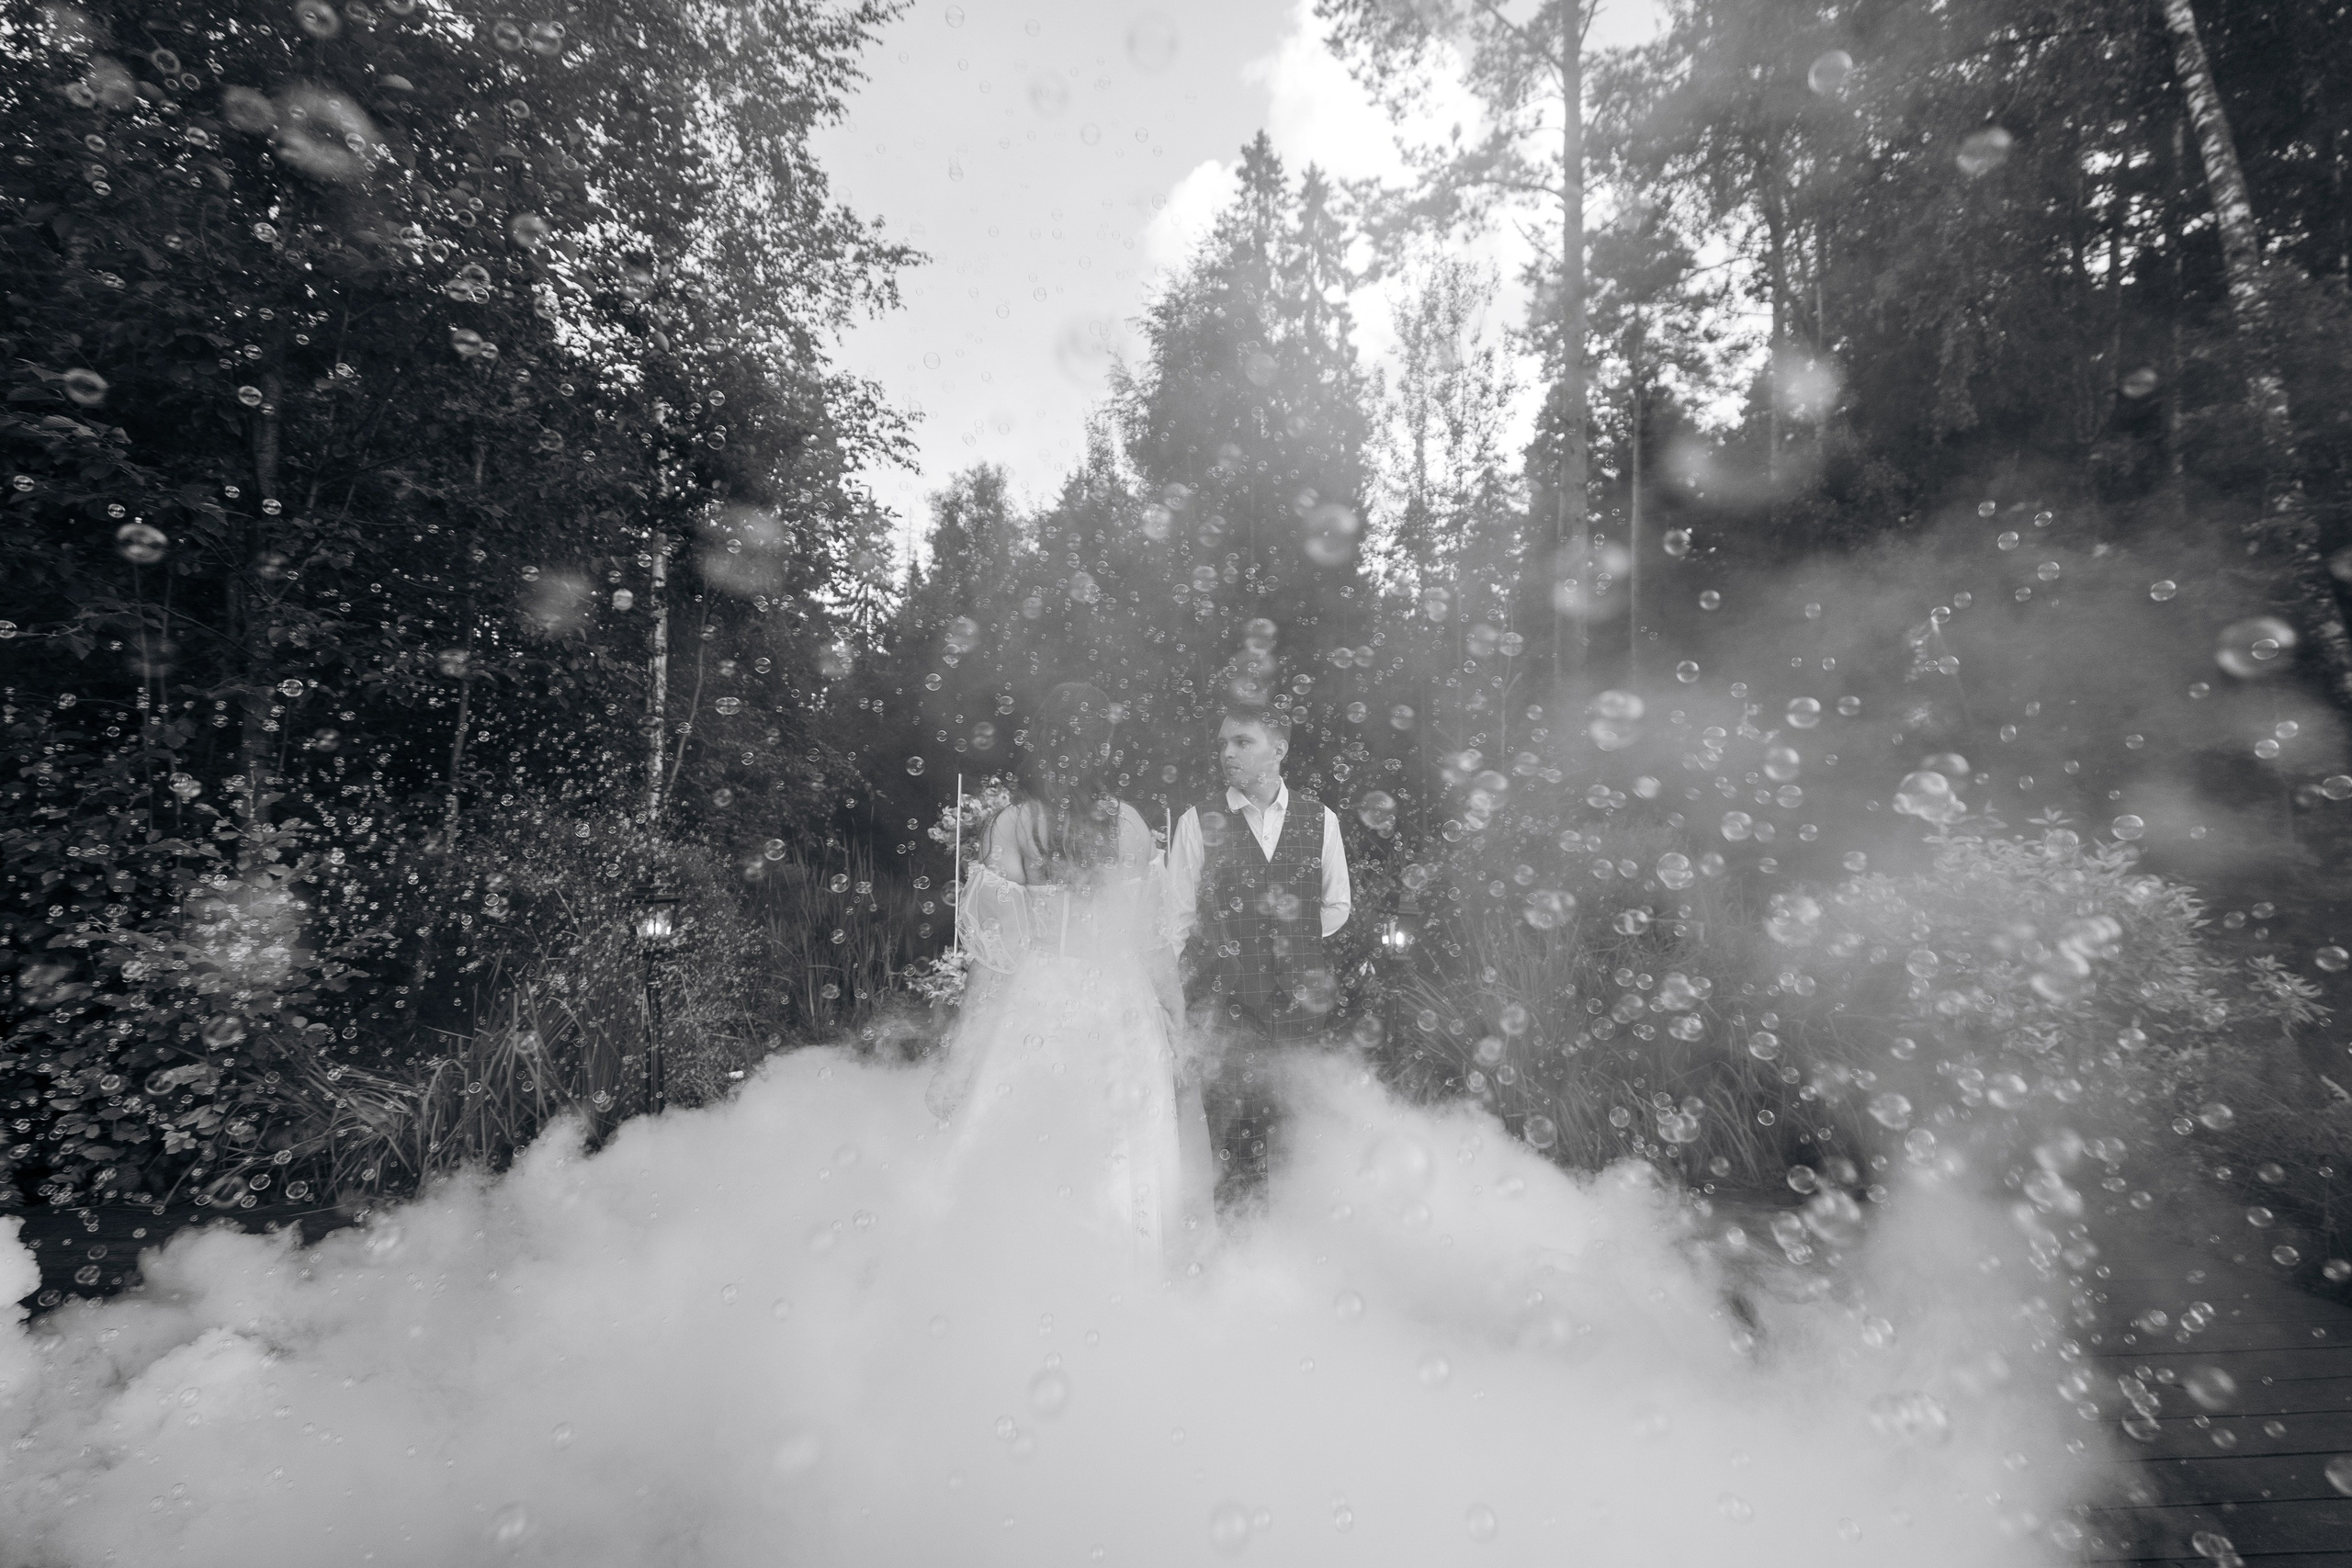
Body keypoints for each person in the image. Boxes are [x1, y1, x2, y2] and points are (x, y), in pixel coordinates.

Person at [922, 681, 1218, 1275]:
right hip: (1119, 1008)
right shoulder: (1131, 827)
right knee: (1118, 1151)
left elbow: (992, 965)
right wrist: (1178, 1025)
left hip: (1040, 1004)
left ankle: (1026, 1290)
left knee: (1032, 1149)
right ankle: (1119, 1288)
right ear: (1099, 748)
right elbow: (1155, 946)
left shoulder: (1014, 828)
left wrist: (959, 1065)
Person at [1163, 703, 1351, 1206]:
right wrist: (1176, 997)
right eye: (1223, 743)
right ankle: (1235, 1270)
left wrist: (1290, 947)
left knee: (1296, 1144)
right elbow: (1176, 922)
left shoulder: (1321, 819)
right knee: (1233, 1153)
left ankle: (1291, 1265)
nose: (1227, 752)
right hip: (1223, 1010)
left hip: (1297, 1012)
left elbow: (1337, 904)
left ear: (1279, 749)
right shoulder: (1197, 822)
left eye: (1242, 742)